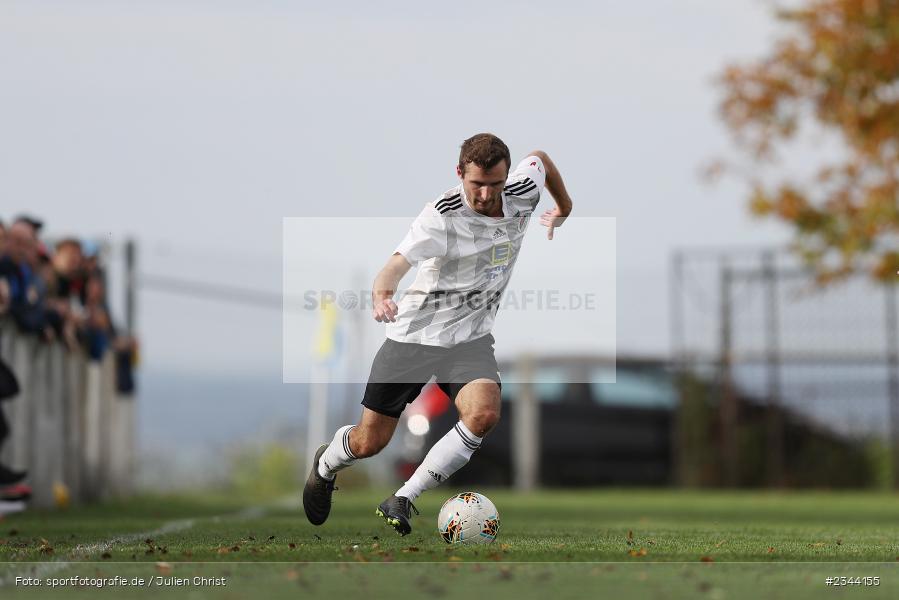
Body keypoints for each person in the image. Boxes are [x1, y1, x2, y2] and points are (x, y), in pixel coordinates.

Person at [303, 133, 573, 535]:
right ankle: (326, 464)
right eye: (476, 184)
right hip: (414, 338)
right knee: (369, 443)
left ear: (506, 178)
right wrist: (381, 296)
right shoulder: (440, 215)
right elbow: (395, 264)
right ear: (459, 173)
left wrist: (564, 207)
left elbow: (540, 159)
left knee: (483, 414)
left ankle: (404, 497)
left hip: (470, 340)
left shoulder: (520, 193)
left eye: (494, 184)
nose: (485, 194)